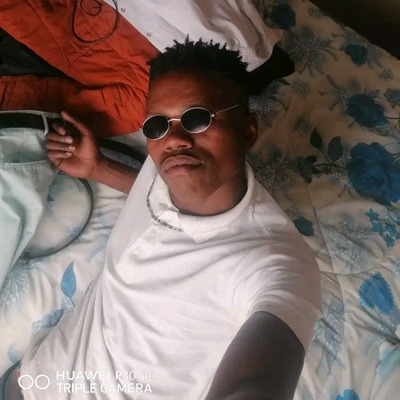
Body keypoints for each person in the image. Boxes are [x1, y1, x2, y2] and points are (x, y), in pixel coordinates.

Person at [15, 39, 321, 400]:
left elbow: (254, 386)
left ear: (247, 130)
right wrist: (97, 168)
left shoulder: (274, 262)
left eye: (197, 118)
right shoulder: (169, 165)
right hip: (38, 375)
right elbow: (153, 195)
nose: (173, 139)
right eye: (156, 125)